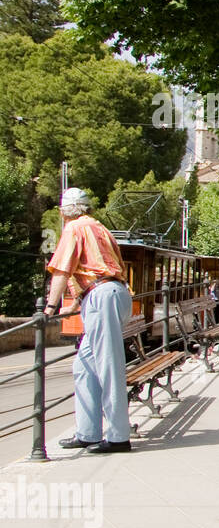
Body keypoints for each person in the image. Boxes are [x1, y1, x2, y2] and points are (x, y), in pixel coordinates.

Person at [42, 187, 134, 454]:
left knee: (108, 366)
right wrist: (76, 301)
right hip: (110, 293)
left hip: (102, 296)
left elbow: (61, 269)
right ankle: (87, 432)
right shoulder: (100, 228)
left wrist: (49, 307)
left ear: (64, 212)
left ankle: (118, 437)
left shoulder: (73, 229)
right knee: (84, 366)